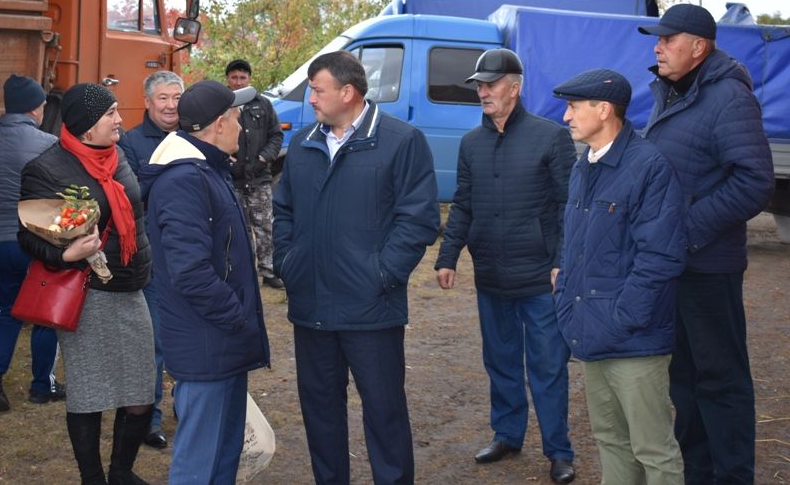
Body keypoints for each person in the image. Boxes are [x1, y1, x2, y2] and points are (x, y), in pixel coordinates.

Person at [272, 50, 440, 485]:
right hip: (312, 308)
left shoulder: (400, 141)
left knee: (384, 413)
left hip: (371, 310)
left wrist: (382, 275)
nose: (310, 98)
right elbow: (283, 211)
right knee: (321, 414)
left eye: (317, 89)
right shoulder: (305, 143)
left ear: (348, 93)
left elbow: (418, 218)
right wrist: (290, 262)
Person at [638, 4, 774, 483]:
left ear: (698, 48)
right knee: (686, 379)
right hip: (675, 264)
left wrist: (687, 229)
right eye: (657, 38)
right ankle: (697, 470)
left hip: (708, 266)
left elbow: (755, 182)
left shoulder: (729, 98)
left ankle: (733, 475)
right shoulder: (671, 93)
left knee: (721, 380)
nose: (657, 46)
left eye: (667, 39)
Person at [434, 48, 576, 484]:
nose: (483, 91)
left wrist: (561, 263)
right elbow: (463, 205)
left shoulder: (550, 137)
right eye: (479, 85)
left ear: (514, 88)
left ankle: (558, 451)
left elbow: (568, 206)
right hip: (492, 276)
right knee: (500, 361)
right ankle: (508, 434)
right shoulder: (471, 143)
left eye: (490, 84)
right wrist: (448, 255)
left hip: (539, 279)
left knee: (548, 366)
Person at [552, 69, 686, 484]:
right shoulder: (584, 166)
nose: (566, 117)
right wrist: (563, 286)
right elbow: (572, 240)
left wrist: (624, 316)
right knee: (610, 439)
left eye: (574, 107)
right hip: (592, 332)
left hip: (633, 339)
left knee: (653, 449)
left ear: (604, 109)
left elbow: (661, 257)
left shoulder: (648, 167)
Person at [18, 82, 155, 485]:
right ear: (84, 126)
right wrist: (65, 255)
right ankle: (93, 477)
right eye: (110, 114)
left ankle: (121, 472)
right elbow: (28, 235)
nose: (119, 119)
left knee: (140, 393)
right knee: (91, 393)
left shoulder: (116, 155)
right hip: (89, 293)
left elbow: (135, 215)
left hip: (131, 288)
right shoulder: (46, 169)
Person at [140, 80, 270, 485]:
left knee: (223, 457)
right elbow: (190, 272)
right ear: (217, 124)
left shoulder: (208, 168)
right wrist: (236, 317)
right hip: (207, 345)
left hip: (220, 342)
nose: (242, 127)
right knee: (199, 464)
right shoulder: (184, 180)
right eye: (236, 118)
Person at [0, 74, 61, 412]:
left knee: (5, 309)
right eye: (40, 106)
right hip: (34, 241)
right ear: (33, 109)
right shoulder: (46, 143)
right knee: (44, 316)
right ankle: (42, 386)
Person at [118, 69, 184, 449]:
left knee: (189, 335)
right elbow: (130, 197)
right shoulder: (130, 143)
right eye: (163, 98)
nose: (171, 105)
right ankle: (150, 418)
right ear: (147, 102)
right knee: (155, 341)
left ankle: (187, 408)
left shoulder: (194, 134)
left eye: (176, 97)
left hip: (189, 255)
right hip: (153, 258)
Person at [224, 59, 285, 289]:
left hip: (259, 178)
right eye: (234, 77)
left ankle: (269, 271)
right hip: (232, 180)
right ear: (227, 80)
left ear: (249, 79)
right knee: (238, 229)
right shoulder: (222, 106)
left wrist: (263, 158)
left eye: (243, 77)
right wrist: (224, 160)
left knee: (264, 226)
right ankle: (244, 272)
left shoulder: (264, 105)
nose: (238, 82)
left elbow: (276, 136)